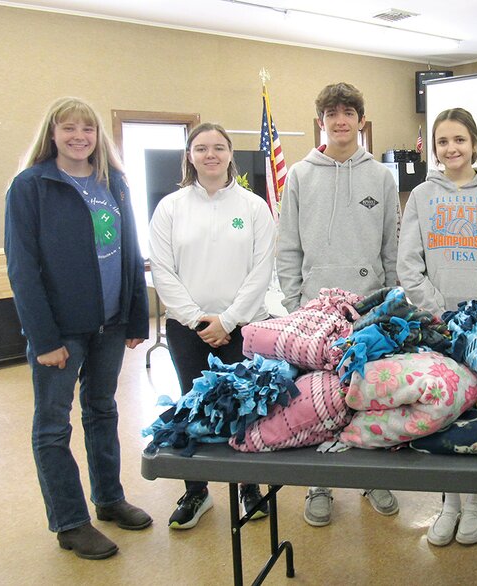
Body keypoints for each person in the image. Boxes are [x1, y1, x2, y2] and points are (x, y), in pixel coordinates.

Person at [4, 97, 152, 560]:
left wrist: (134, 315)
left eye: (87, 129)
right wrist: (44, 338)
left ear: (97, 136)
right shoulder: (32, 185)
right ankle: (69, 521)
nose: (79, 137)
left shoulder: (115, 183)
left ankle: (108, 499)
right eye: (68, 129)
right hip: (61, 330)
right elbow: (22, 267)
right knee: (52, 426)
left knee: (102, 411)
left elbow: (129, 252)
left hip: (108, 324)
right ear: (52, 134)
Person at [276, 82, 401, 527]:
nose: (341, 119)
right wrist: (295, 305)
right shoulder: (299, 176)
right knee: (316, 399)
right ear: (321, 121)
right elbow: (287, 247)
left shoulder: (381, 177)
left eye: (349, 112)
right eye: (332, 112)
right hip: (314, 312)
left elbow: (392, 248)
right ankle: (319, 484)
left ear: (360, 121)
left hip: (368, 309)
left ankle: (372, 475)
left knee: (367, 396)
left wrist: (390, 304)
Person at [397, 107, 477, 546]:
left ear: (473, 143)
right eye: (443, 142)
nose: (451, 149)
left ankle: (476, 502)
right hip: (436, 324)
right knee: (444, 410)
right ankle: (448, 502)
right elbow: (408, 265)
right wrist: (440, 314)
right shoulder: (422, 197)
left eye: (459, 140)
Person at [149, 123, 277, 530]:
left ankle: (249, 487)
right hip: (188, 329)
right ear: (189, 155)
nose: (210, 155)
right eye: (201, 148)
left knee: (245, 408)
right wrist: (198, 320)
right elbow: (163, 271)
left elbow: (261, 270)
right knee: (193, 406)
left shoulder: (254, 207)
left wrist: (229, 319)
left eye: (218, 147)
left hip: (242, 326)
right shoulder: (170, 207)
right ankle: (196, 491)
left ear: (229, 154)